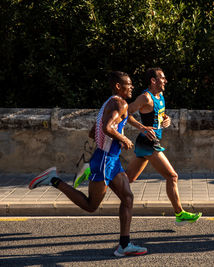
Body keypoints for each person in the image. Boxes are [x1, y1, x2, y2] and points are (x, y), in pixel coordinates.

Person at [28, 71, 147, 257]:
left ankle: (124, 245)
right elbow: (107, 128)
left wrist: (114, 140)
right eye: (128, 84)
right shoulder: (120, 103)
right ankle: (53, 180)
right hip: (105, 160)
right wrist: (123, 138)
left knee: (128, 198)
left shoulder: (109, 102)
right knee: (91, 205)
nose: (132, 87)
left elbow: (94, 132)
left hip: (110, 159)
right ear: (118, 86)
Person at [126, 67, 202, 226]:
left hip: (149, 142)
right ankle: (179, 214)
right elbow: (126, 113)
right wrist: (141, 127)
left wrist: (166, 119)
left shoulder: (160, 96)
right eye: (163, 78)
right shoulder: (145, 98)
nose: (166, 81)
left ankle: (95, 172)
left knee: (127, 179)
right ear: (153, 80)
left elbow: (158, 115)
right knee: (172, 176)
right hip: (149, 143)